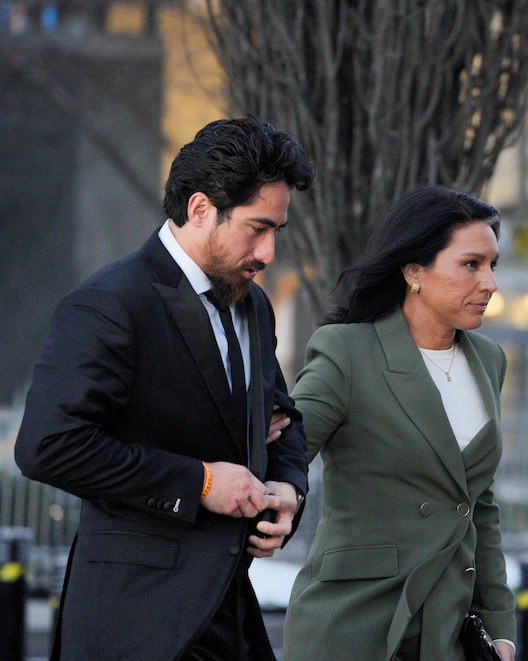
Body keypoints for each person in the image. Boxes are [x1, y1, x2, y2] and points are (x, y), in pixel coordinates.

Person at [15, 116, 316, 661]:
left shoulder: (254, 306)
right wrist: (200, 482)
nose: (269, 252)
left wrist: (289, 490)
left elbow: (280, 417)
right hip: (135, 625)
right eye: (257, 228)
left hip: (233, 618)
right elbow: (47, 445)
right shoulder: (111, 302)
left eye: (277, 231)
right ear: (200, 209)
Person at [282, 186, 516, 660]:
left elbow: (477, 504)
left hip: (447, 630)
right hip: (354, 622)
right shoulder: (346, 351)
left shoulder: (488, 359)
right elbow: (286, 451)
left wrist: (500, 627)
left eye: (493, 265)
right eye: (471, 264)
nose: (489, 283)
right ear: (414, 272)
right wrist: (276, 494)